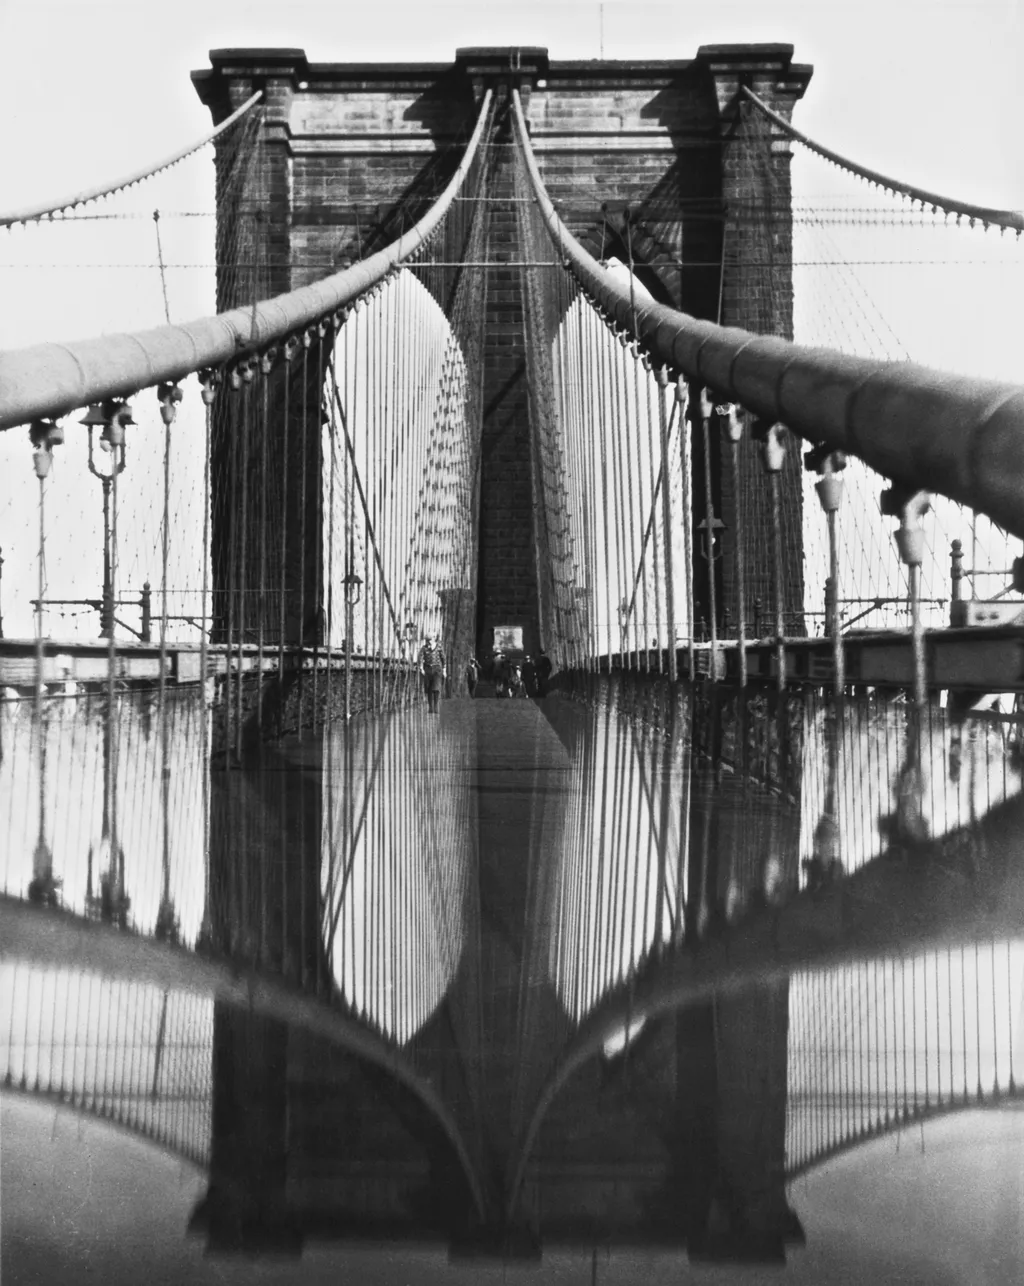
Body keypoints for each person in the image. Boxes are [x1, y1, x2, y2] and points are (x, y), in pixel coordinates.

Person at [418, 633, 446, 714]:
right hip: (427, 669)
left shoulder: (439, 647)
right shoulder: (424, 648)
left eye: (430, 640)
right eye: (427, 640)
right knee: (429, 687)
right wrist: (421, 668)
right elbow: (420, 657)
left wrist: (444, 670)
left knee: (436, 687)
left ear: (434, 639)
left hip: (437, 669)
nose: (428, 642)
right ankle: (430, 707)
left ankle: (436, 706)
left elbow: (443, 659)